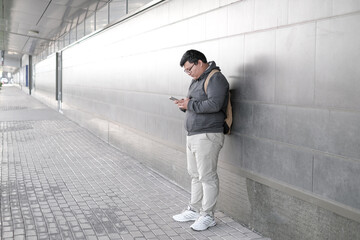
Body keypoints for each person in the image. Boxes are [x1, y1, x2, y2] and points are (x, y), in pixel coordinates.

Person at [172, 49, 229, 231]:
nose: (188, 73)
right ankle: (195, 209)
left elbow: (215, 104)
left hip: (207, 135)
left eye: (189, 69)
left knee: (207, 177)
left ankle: (208, 215)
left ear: (199, 62)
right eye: (186, 71)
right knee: (195, 175)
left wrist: (190, 104)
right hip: (193, 134)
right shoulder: (196, 80)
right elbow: (195, 104)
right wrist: (185, 105)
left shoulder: (215, 78)